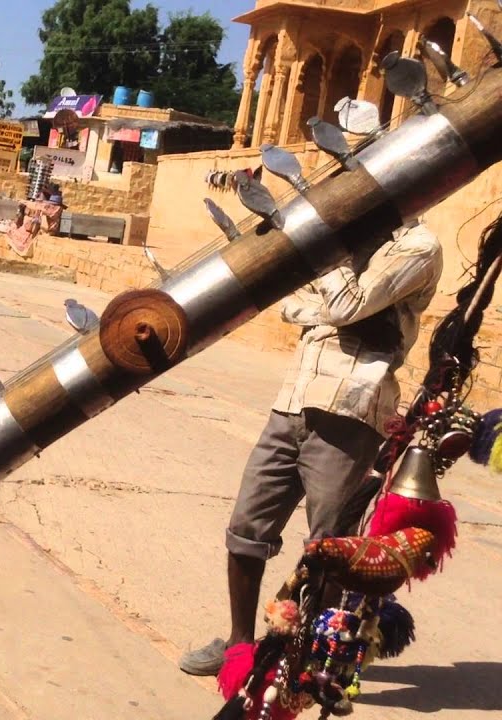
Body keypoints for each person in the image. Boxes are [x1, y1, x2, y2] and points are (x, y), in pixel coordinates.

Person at [178, 222, 443, 677]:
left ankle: (305, 654)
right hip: (293, 402)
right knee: (246, 526)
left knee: (329, 548)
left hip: (351, 412)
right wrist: (331, 304)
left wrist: (329, 250)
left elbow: (345, 304)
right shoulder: (354, 243)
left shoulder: (418, 247)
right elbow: (293, 307)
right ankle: (240, 645)